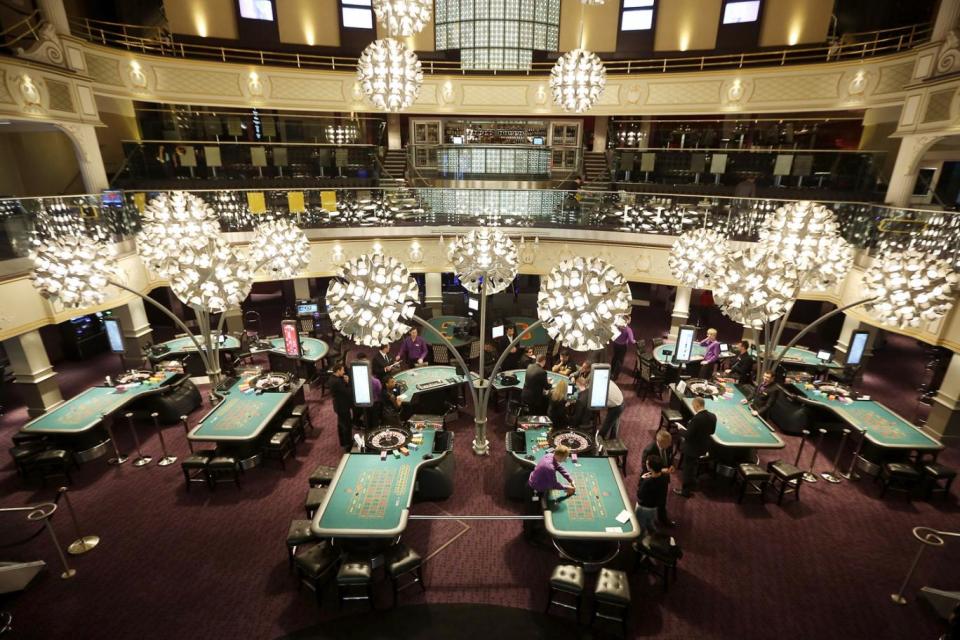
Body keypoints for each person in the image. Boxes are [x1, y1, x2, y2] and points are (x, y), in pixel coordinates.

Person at [675, 397, 717, 498]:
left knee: (687, 470)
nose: (693, 407)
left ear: (697, 405)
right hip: (703, 447)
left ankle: (685, 492)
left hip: (692, 449)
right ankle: (693, 484)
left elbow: (688, 435)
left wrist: (680, 429)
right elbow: (712, 431)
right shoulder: (713, 416)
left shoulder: (697, 419)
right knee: (693, 466)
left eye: (694, 405)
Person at [642, 430, 677, 527]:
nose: (670, 445)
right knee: (651, 502)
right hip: (652, 481)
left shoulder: (668, 446)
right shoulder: (649, 450)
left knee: (662, 500)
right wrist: (661, 471)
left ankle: (663, 519)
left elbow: (670, 458)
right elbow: (645, 468)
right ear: (660, 442)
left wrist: (671, 465)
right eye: (668, 443)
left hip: (663, 479)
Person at [636, 455, 670, 535]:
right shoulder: (665, 477)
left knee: (640, 526)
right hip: (655, 507)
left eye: (647, 464)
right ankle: (652, 532)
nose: (646, 464)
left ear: (650, 468)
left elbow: (639, 495)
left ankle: (639, 543)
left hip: (644, 507)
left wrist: (642, 479)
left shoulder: (647, 482)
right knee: (650, 521)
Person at [329, 361, 354, 452]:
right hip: (342, 407)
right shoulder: (337, 382)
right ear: (338, 371)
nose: (344, 372)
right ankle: (348, 444)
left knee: (340, 424)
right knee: (346, 425)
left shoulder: (333, 378)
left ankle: (343, 442)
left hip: (338, 406)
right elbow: (347, 392)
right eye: (342, 370)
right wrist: (347, 382)